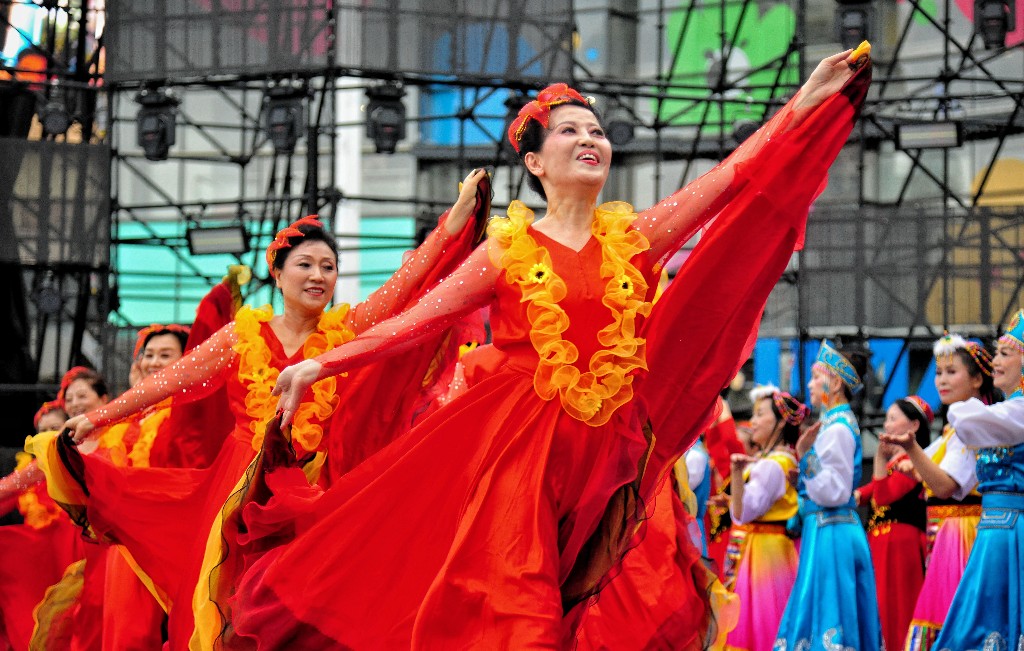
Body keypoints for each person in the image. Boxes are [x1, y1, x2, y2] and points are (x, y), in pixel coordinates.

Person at [227, 48, 871, 649]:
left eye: (596, 131)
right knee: (523, 611)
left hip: (601, 460)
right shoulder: (507, 251)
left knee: (569, 615)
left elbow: (733, 176)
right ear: (534, 162)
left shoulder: (635, 238)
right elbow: (417, 321)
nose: (589, 139)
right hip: (519, 452)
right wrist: (321, 363)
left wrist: (805, 100)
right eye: (568, 131)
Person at [34, 192, 485, 649]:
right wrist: (99, 417)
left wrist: (452, 223)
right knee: (225, 606)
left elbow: (404, 286)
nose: (318, 276)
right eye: (305, 265)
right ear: (278, 273)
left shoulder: (347, 330)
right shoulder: (242, 335)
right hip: (239, 488)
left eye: (328, 267)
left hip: (311, 490)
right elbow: (171, 381)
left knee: (298, 611)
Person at [881, 333, 998, 649]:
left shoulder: (972, 423)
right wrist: (912, 462)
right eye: (938, 372)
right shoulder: (954, 428)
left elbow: (945, 485)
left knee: (951, 619)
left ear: (977, 379)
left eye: (951, 372)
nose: (941, 380)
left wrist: (912, 451)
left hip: (961, 534)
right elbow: (928, 471)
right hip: (947, 532)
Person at [774, 341, 882, 650]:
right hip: (827, 528)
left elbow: (834, 491)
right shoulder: (833, 425)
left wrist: (805, 457)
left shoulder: (837, 429)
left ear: (834, 383)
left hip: (831, 529)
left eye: (815, 377)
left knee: (828, 614)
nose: (809, 385)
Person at [932, 310, 1024, 649]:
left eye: (1005, 354)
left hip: (1010, 531)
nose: (995, 362)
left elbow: (967, 419)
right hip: (994, 529)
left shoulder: (1016, 411)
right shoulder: (1005, 412)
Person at [724, 385, 805, 651]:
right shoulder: (775, 460)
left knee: (763, 621)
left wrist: (737, 473)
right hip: (767, 547)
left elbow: (744, 513)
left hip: (766, 554)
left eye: (760, 415)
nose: (754, 421)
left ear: (781, 422)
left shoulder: (772, 465)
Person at [856, 396, 931, 651]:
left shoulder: (914, 462)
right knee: (881, 604)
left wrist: (878, 458)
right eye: (886, 419)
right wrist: (853, 495)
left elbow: (882, 495)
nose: (886, 425)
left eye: (893, 418)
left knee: (897, 607)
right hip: (884, 542)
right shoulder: (896, 463)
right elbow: (870, 490)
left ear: (914, 425)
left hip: (899, 545)